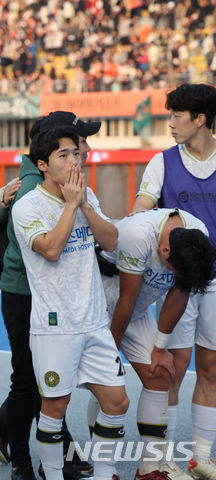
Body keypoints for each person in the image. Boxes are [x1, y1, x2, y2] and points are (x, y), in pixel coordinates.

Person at [0, 111, 101, 480]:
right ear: (51, 153)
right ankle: (24, 465)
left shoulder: (48, 180)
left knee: (45, 380)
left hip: (49, 295)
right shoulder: (33, 189)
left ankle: (56, 456)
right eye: (76, 146)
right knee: (31, 382)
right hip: (27, 295)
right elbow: (49, 250)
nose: (84, 151)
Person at [11, 125, 127, 480]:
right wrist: (71, 205)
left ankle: (104, 474)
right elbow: (50, 249)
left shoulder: (85, 194)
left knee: (117, 402)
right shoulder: (27, 204)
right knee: (55, 406)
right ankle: (54, 474)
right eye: (64, 155)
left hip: (94, 322)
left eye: (76, 153)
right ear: (43, 164)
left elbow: (111, 242)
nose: (74, 161)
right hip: (55, 327)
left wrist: (85, 206)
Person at [91, 208, 215, 480]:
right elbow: (125, 300)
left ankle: (150, 469)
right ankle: (103, 471)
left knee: (160, 373)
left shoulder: (198, 235)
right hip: (99, 301)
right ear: (164, 249)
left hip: (137, 308)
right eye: (170, 269)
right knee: (104, 385)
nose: (171, 275)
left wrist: (160, 348)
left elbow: (179, 294)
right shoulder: (137, 235)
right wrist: (111, 355)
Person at [131, 83, 216, 479]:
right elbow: (141, 209)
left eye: (176, 116)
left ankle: (201, 458)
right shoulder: (162, 162)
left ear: (200, 119)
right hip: (178, 282)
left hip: (215, 282)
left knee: (211, 367)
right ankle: (163, 458)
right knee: (174, 368)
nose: (170, 124)